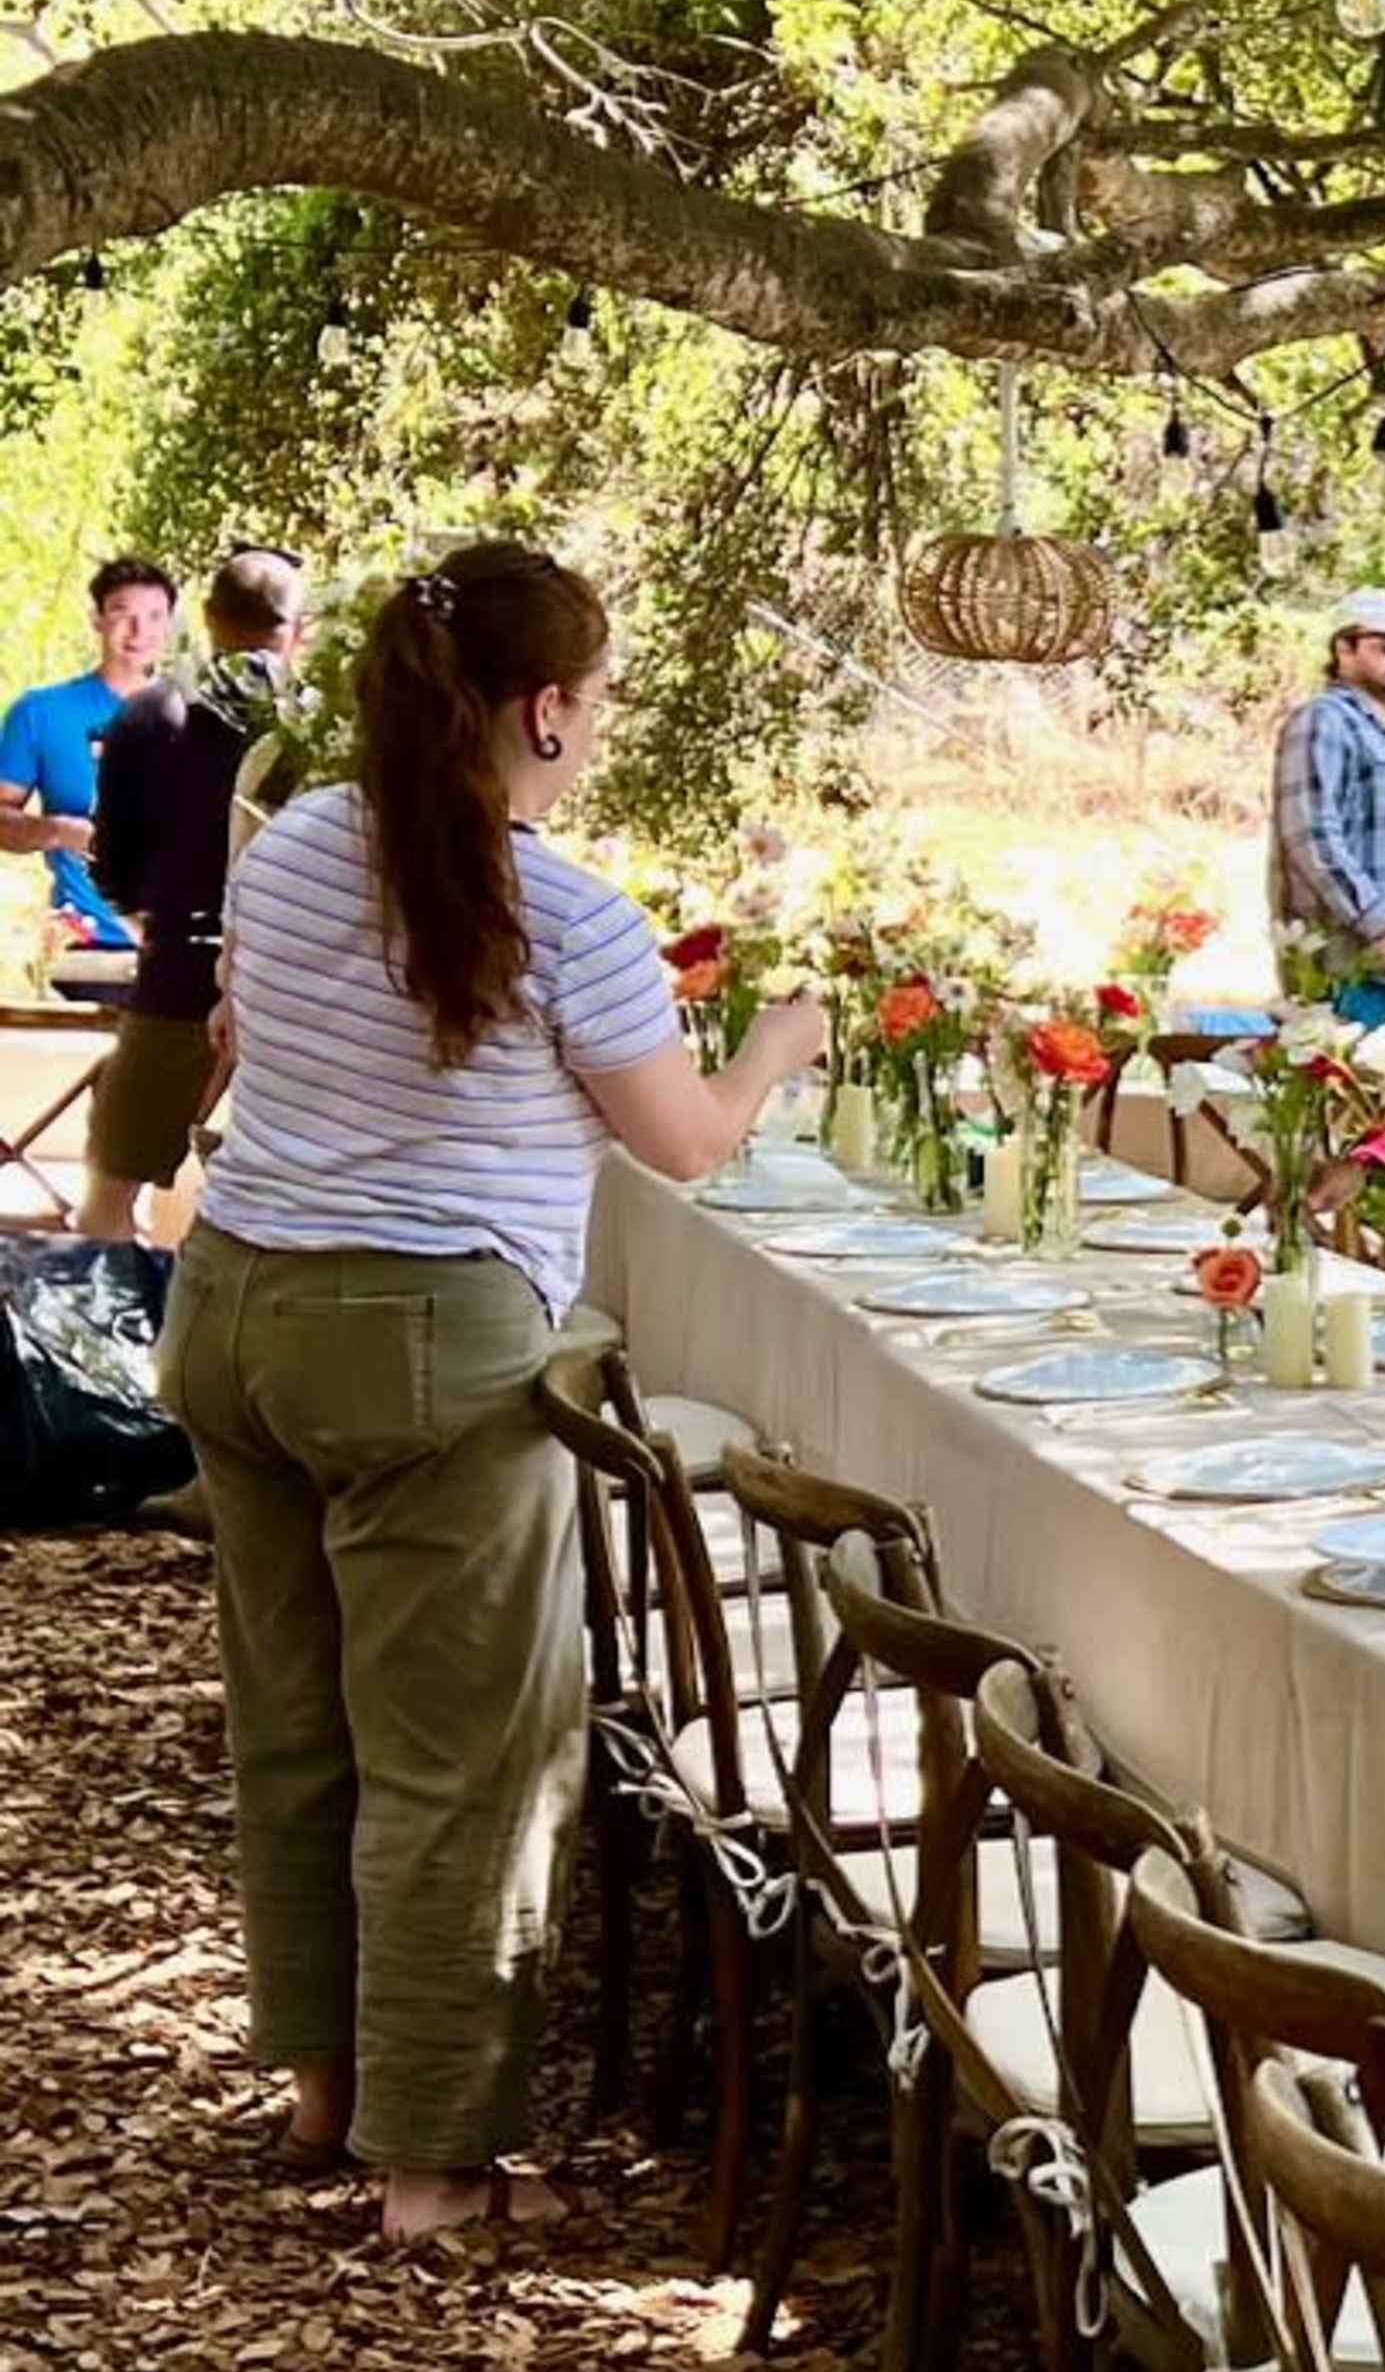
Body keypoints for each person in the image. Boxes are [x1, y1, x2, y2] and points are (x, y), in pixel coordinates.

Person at [156, 542, 825, 2246]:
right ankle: (436, 2165)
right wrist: (774, 1046)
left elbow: (240, 1025)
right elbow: (684, 1144)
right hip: (424, 1347)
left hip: (235, 1306)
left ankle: (322, 2088)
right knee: (461, 1757)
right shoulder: (569, 914)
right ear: (541, 709)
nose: (594, 733)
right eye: (593, 704)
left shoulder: (300, 840)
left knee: (298, 1720)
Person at [78, 546, 304, 1243]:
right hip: (301, 983)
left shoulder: (148, 716)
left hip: (180, 969)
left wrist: (156, 920)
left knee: (112, 1187)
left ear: (207, 618)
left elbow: (110, 859)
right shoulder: (321, 725)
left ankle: (101, 1340)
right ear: (296, 627)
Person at [1270, 588, 1385, 1020]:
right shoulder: (1323, 719)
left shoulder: (1376, 730)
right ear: (1343, 648)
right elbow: (1311, 838)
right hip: (1350, 972)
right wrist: (1384, 924)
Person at [0, 557, 176, 961]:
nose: (139, 631)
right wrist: (59, 831)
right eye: (123, 613)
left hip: (176, 952)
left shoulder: (196, 718)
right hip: (83, 945)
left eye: (154, 616)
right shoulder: (41, 711)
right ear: (97, 619)